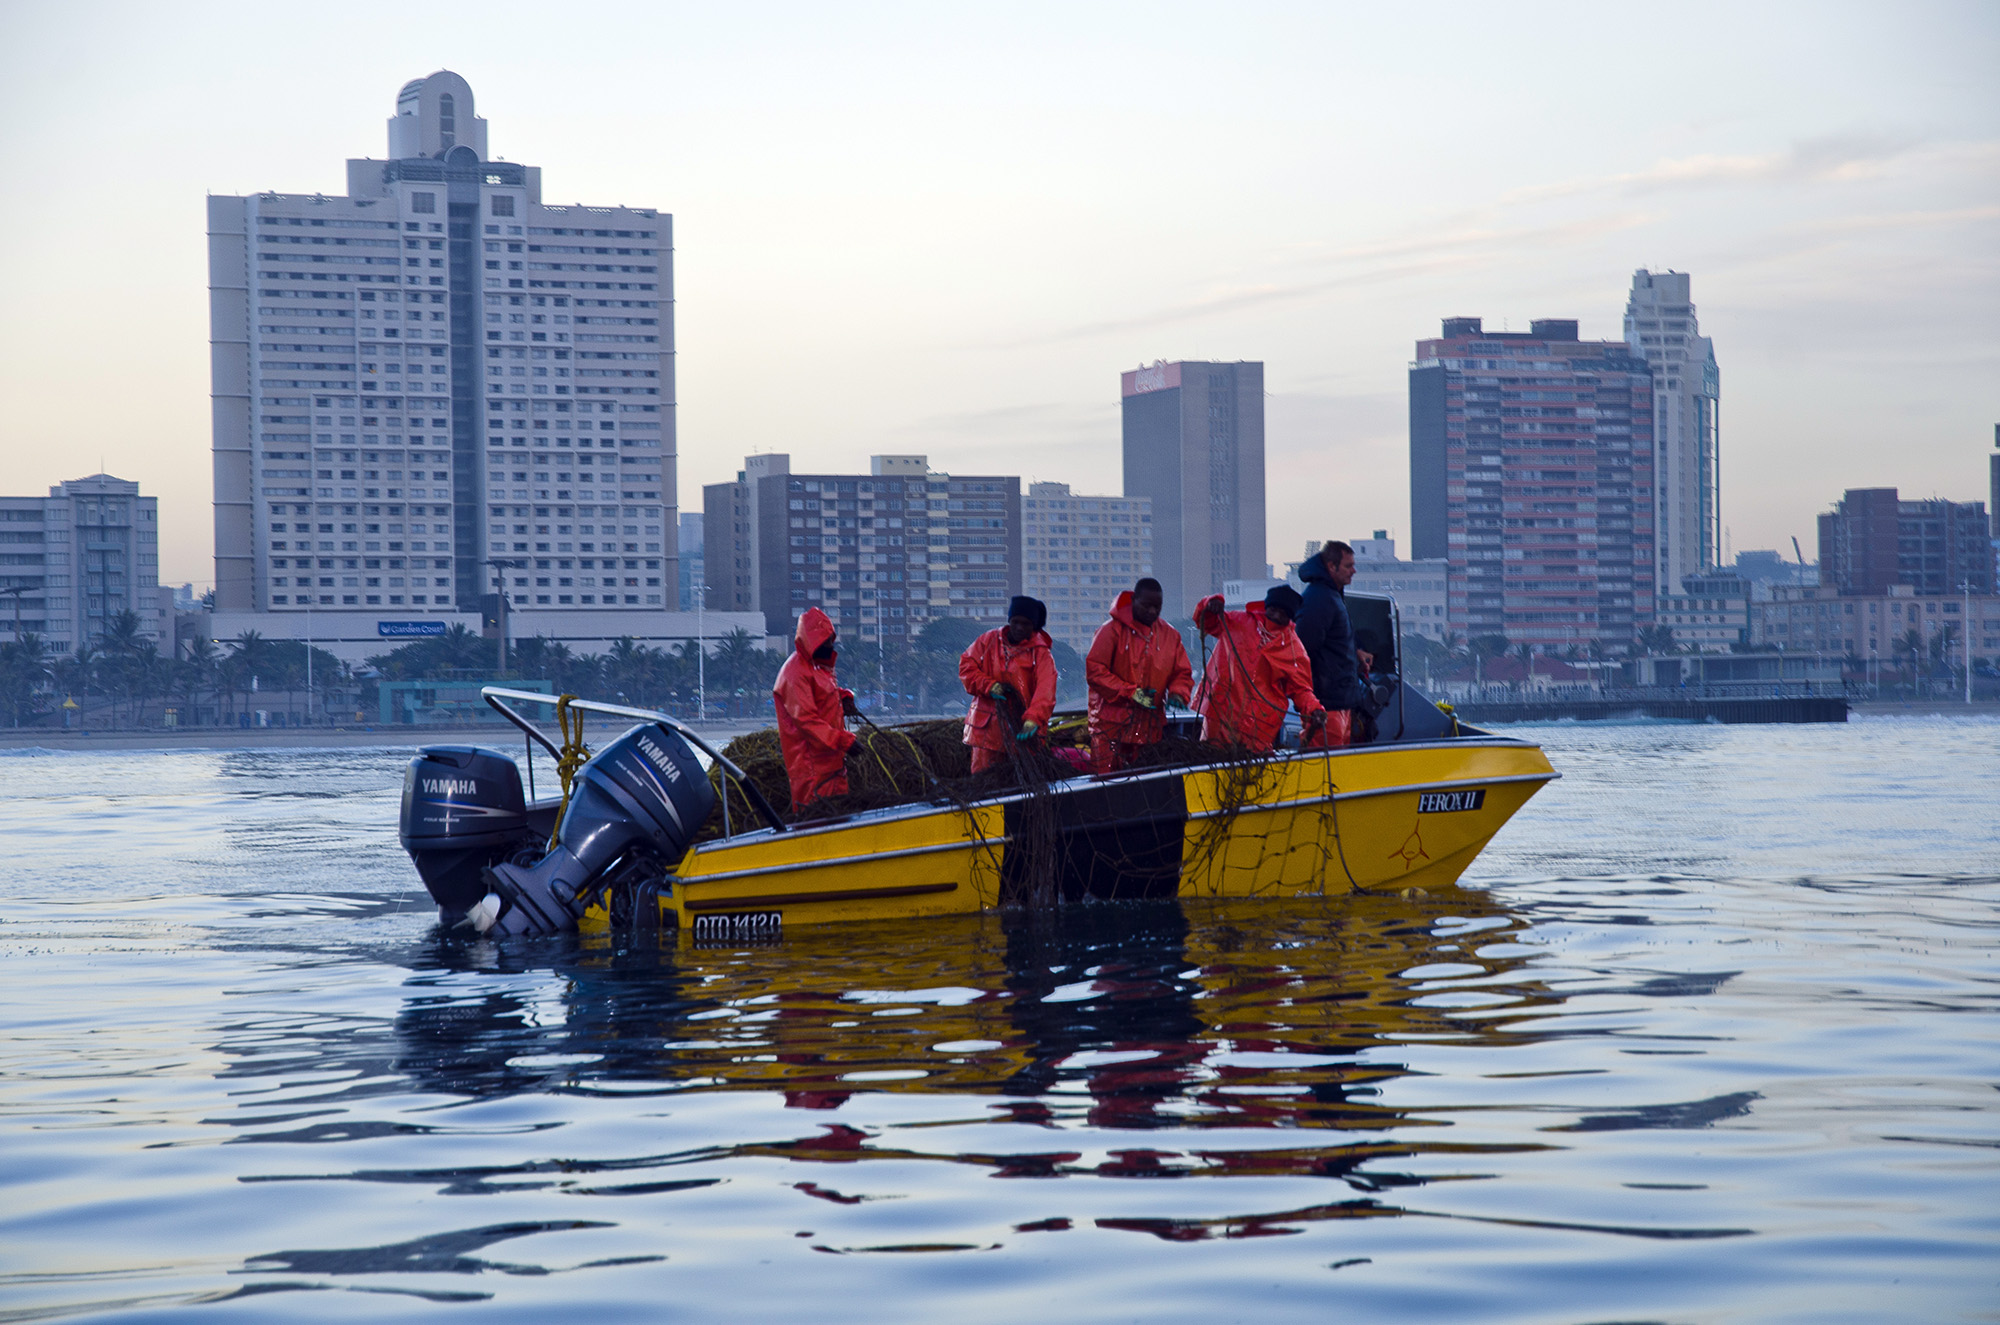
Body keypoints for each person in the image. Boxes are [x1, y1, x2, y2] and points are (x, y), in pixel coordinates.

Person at [1193, 584, 1327, 753]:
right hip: (1220, 715)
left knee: (1251, 774)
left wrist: (1314, 709)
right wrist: (1210, 604)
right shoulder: (1238, 621)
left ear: (1291, 618)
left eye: (1284, 614)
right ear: (1266, 606)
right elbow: (1206, 622)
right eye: (1273, 610)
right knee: (1210, 760)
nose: (1277, 616)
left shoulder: (1295, 650)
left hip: (1258, 728)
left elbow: (1301, 690)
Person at [1084, 577, 1193, 774]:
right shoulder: (1110, 631)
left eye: (1157, 607)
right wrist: (1132, 693)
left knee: (1148, 787)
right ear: (1134, 600)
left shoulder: (1171, 635)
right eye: (1147, 606)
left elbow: (1182, 673)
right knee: (1107, 785)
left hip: (1149, 729)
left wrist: (1178, 693)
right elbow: (1095, 671)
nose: (1152, 611)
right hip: (1110, 729)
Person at [771, 606, 859, 811]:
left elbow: (821, 698)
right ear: (813, 641)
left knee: (839, 821)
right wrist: (843, 740)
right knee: (814, 823)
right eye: (826, 641)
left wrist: (843, 698)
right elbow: (806, 720)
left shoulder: (817, 667)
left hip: (833, 763)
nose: (831, 646)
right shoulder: (795, 673)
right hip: (811, 768)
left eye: (831, 640)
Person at [959, 596, 1058, 775]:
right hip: (986, 732)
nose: (1020, 627)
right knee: (983, 781)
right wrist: (989, 686)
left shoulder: (1041, 654)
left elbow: (1046, 690)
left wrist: (1033, 719)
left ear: (1034, 626)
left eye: (1026, 623)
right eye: (1015, 622)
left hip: (1022, 732)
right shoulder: (988, 640)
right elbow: (966, 667)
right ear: (1009, 620)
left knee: (1020, 783)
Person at [1294, 540, 1375, 748]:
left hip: (1339, 702)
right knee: (1325, 768)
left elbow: (1331, 639)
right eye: (1348, 566)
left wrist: (1355, 652)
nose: (1354, 571)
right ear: (1332, 566)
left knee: (1338, 766)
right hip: (1326, 705)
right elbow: (1303, 649)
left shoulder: (1331, 596)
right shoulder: (1319, 599)